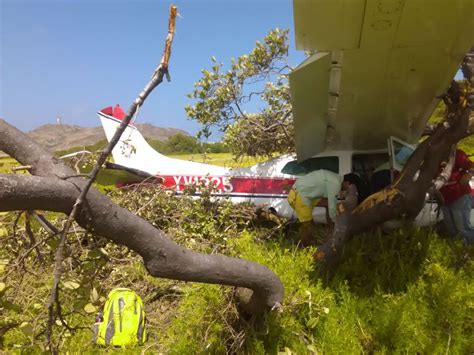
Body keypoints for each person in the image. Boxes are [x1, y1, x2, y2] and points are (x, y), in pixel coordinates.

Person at [288, 170, 359, 246]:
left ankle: (330, 231)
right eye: (348, 188)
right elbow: (332, 207)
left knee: (327, 203)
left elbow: (329, 202)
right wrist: (337, 224)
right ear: (347, 183)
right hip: (299, 195)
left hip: (305, 193)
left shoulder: (335, 178)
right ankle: (304, 246)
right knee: (308, 225)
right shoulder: (336, 184)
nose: (346, 191)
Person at [439, 149, 473, 245]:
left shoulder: (455, 153)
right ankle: (457, 250)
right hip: (444, 198)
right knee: (451, 229)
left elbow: (471, 165)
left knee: (463, 228)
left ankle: (469, 251)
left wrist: (469, 174)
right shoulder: (434, 155)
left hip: (459, 195)